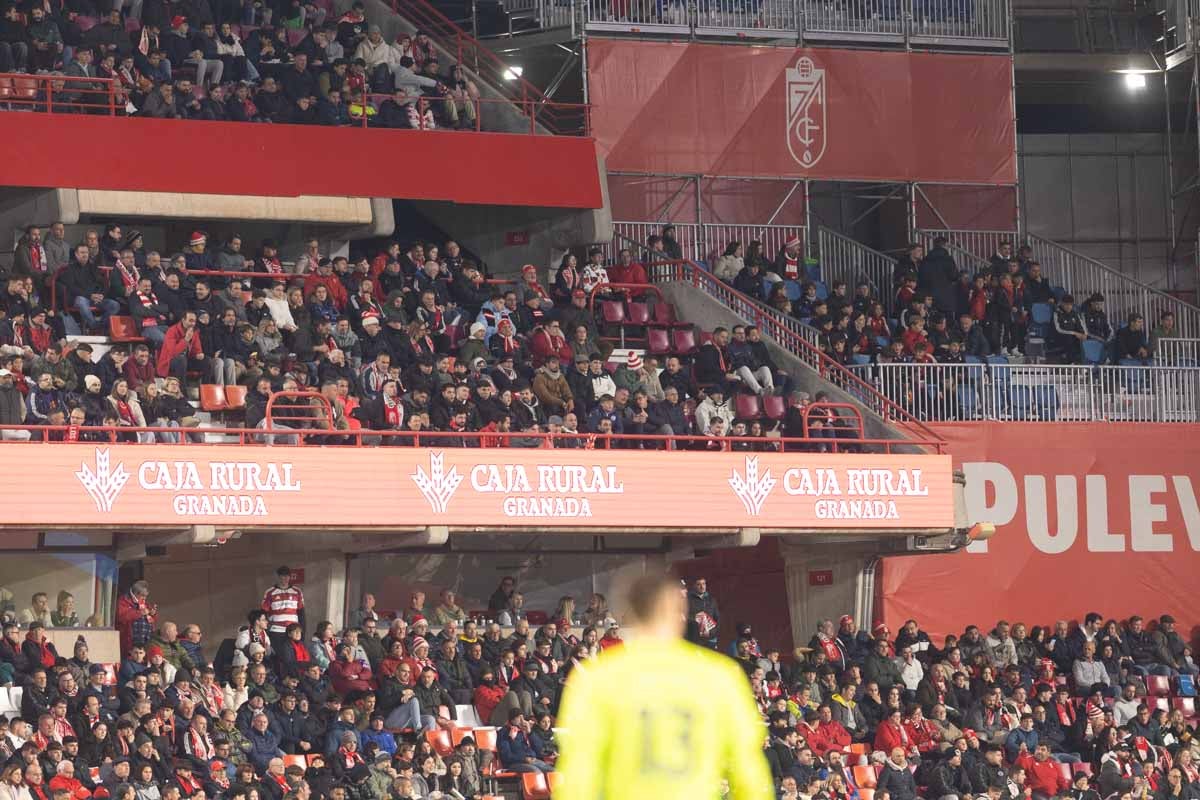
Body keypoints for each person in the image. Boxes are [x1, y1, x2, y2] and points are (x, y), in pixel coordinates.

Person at [554, 571, 772, 799]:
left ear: (631, 611)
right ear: (679, 609)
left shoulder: (598, 678)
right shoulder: (720, 675)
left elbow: (577, 777)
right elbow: (750, 775)